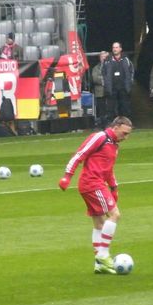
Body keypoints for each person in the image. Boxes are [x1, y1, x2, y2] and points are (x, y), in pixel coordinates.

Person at [58, 116, 133, 274]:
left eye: (128, 135)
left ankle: (99, 265)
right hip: (92, 183)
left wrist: (114, 187)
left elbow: (108, 169)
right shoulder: (100, 137)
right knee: (115, 215)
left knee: (99, 223)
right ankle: (104, 255)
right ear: (116, 126)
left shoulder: (114, 145)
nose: (126, 137)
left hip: (94, 184)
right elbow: (79, 155)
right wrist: (67, 176)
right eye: (124, 133)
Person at [103, 42, 134, 121]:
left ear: (120, 49)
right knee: (111, 109)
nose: (115, 49)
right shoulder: (107, 60)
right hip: (111, 89)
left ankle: (126, 124)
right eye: (113, 47)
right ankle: (111, 126)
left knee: (125, 108)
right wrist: (106, 86)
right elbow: (103, 73)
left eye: (117, 47)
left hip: (123, 88)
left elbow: (131, 72)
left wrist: (129, 85)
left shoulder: (126, 59)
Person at [91, 51, 109, 129]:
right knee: (102, 110)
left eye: (105, 57)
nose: (104, 58)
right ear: (100, 58)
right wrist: (106, 80)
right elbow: (95, 79)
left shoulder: (112, 66)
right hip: (100, 93)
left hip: (110, 92)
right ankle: (103, 126)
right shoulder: (96, 68)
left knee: (111, 109)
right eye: (102, 57)